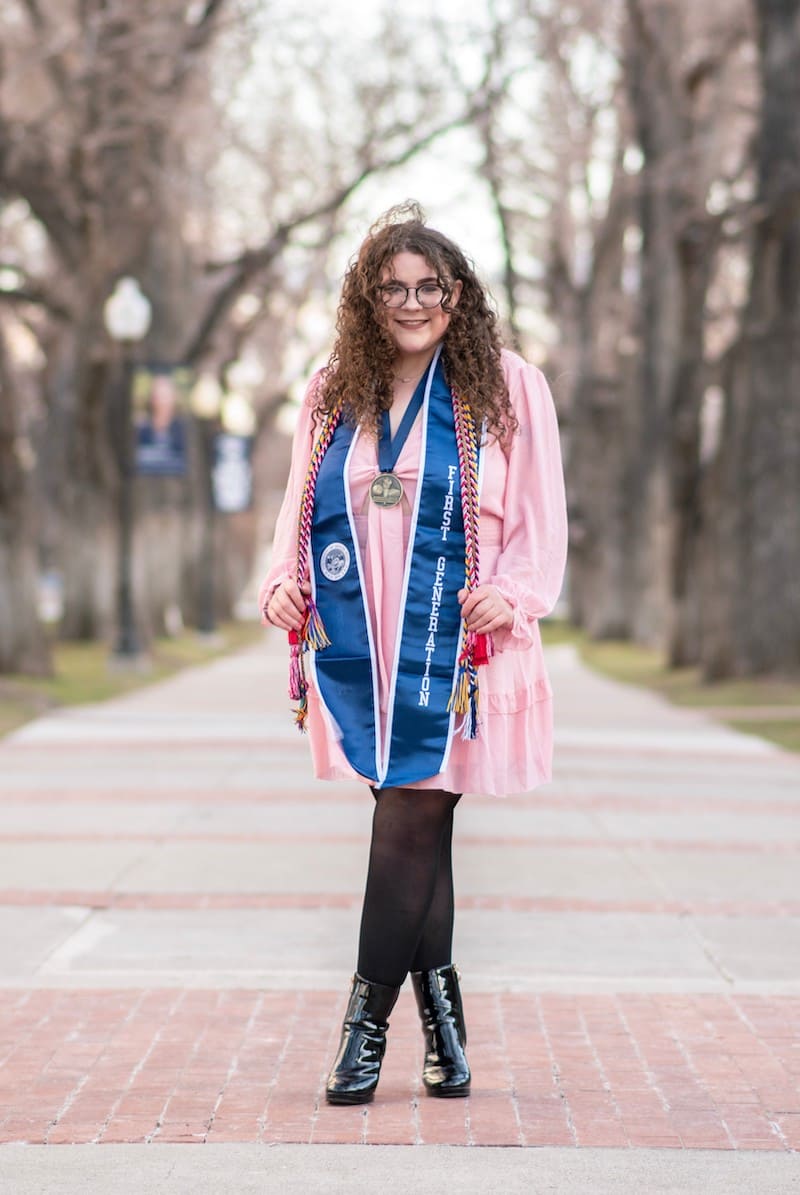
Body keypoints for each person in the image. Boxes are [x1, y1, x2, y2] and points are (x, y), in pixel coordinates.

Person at [260, 201, 568, 1106]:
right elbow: (296, 515)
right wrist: (282, 581)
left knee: (407, 826)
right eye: (392, 287)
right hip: (364, 653)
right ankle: (446, 1032)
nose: (411, 301)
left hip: (461, 650)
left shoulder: (507, 388)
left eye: (429, 285)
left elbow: (540, 522)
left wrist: (513, 595)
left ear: (458, 293)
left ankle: (362, 1032)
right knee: (419, 840)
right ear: (367, 296)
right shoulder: (332, 390)